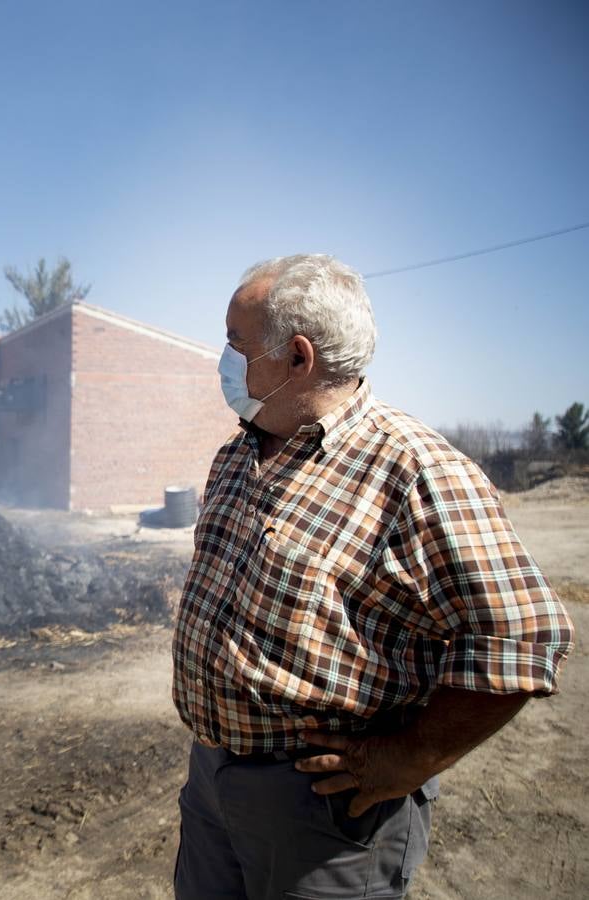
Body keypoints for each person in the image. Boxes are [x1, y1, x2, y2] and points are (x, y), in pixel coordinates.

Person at [171, 254, 575, 899]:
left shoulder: (417, 471)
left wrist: (411, 758)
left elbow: (521, 639)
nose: (223, 359)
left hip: (324, 813)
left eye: (235, 343)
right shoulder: (241, 448)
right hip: (212, 782)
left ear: (298, 358)